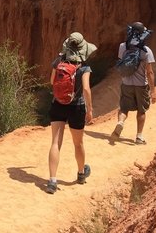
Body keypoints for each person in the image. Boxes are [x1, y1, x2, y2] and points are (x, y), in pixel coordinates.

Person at [46, 31, 96, 194]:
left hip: (58, 104)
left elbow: (52, 81)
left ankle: (52, 181)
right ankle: (81, 173)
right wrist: (90, 109)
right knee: (78, 143)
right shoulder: (85, 67)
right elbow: (87, 89)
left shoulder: (58, 62)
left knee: (55, 143)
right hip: (77, 107)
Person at [110, 21, 156, 145]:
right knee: (142, 110)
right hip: (141, 85)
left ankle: (120, 122)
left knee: (124, 108)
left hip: (126, 83)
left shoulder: (122, 47)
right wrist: (153, 91)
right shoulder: (146, 51)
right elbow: (150, 72)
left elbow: (122, 63)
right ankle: (139, 137)